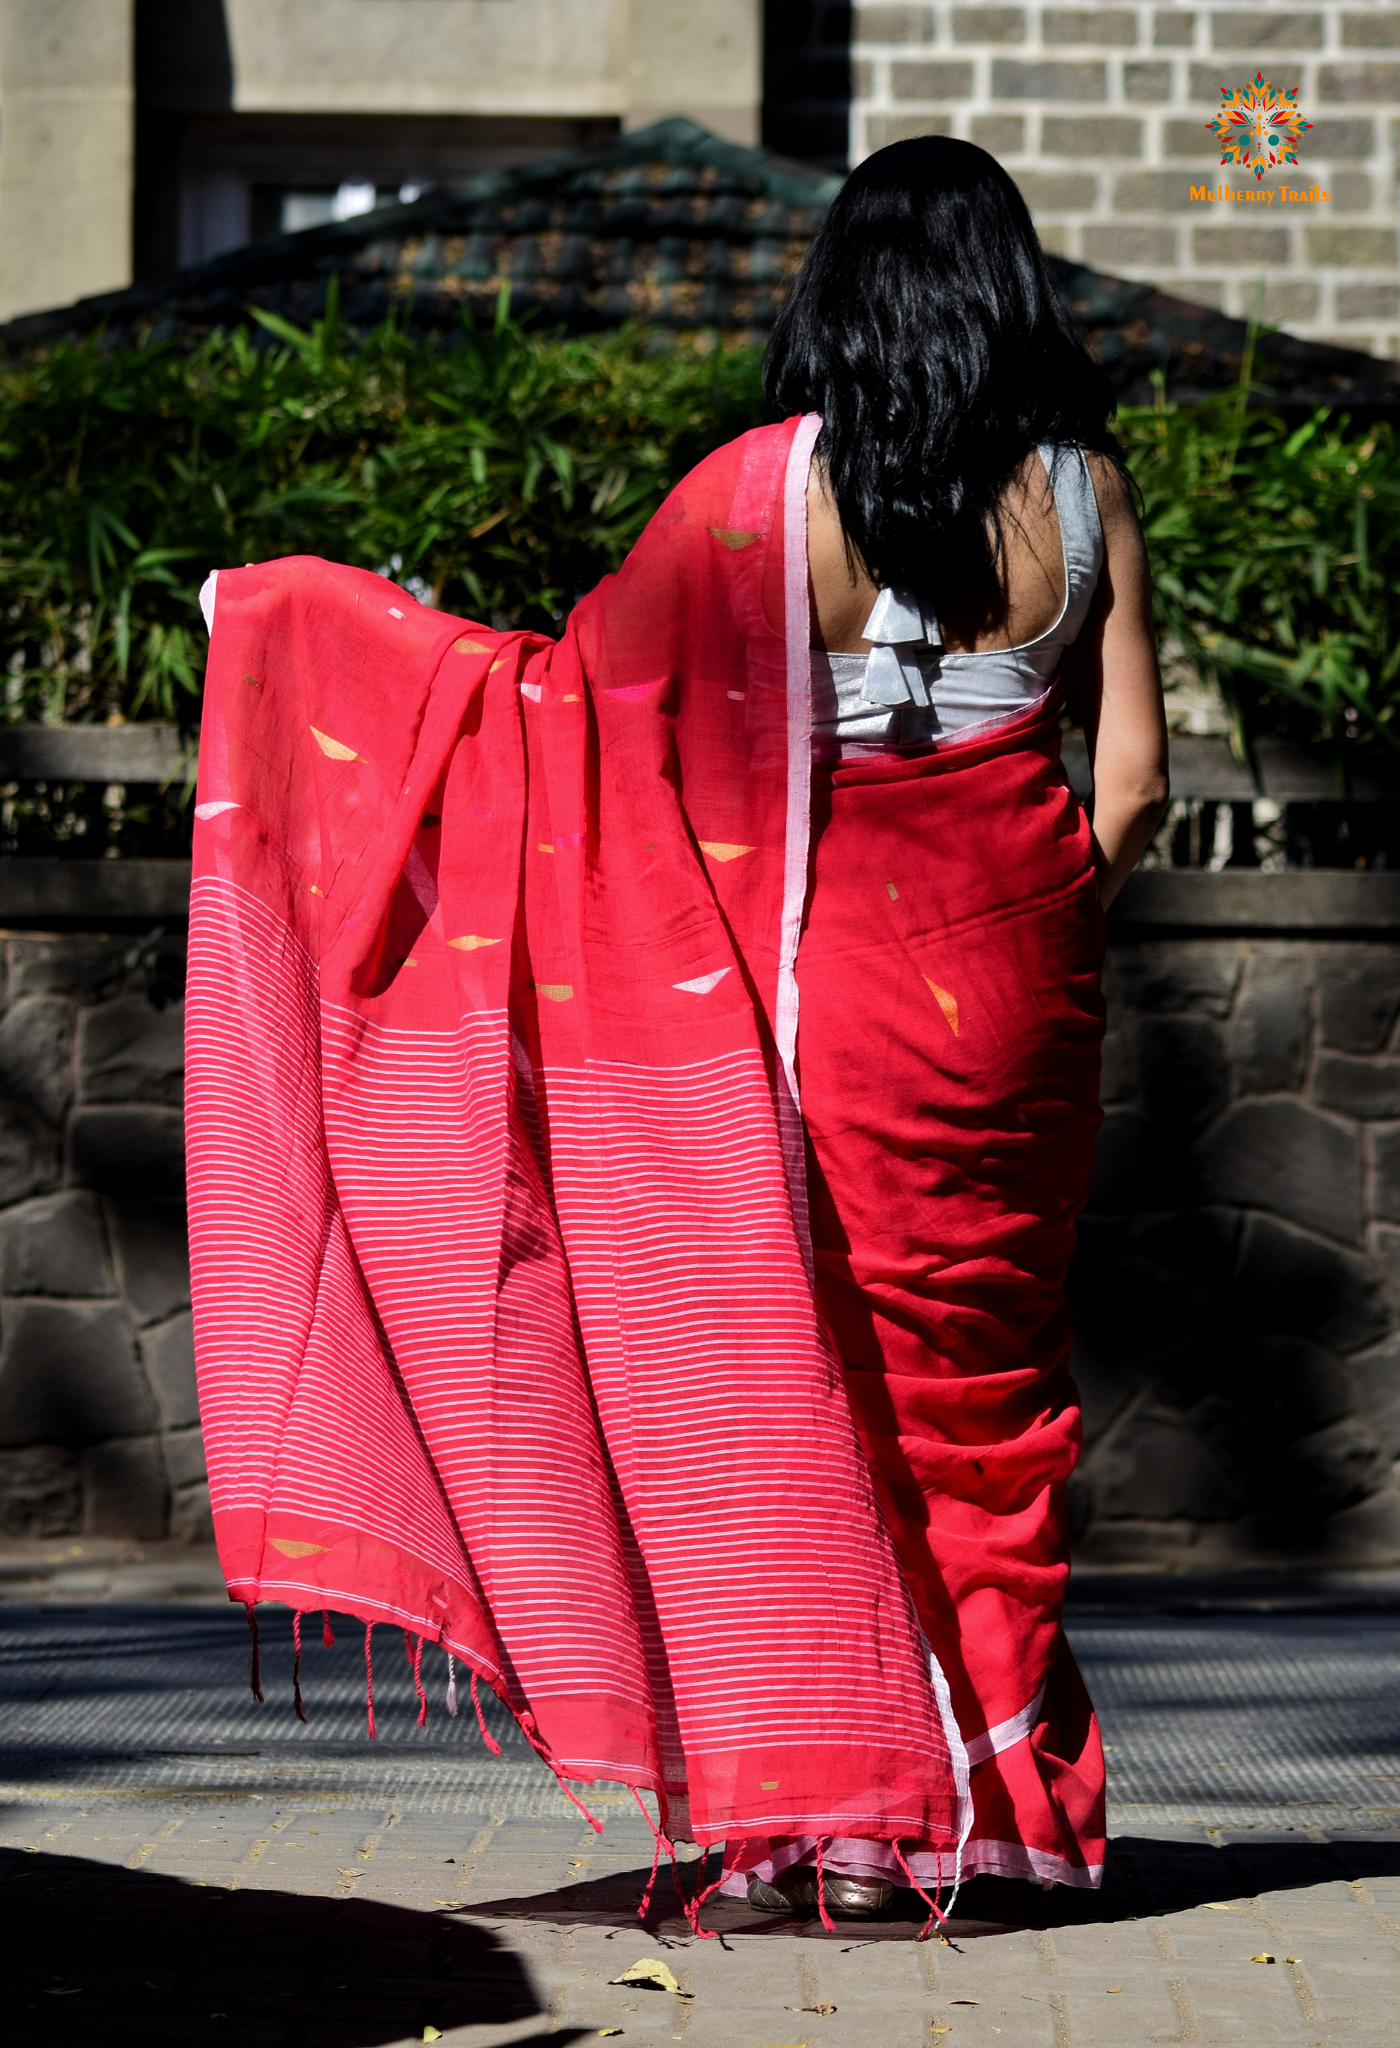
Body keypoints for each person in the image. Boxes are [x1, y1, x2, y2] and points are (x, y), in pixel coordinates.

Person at [185, 135, 1166, 1932]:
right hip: (1024, 1005)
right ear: (1011, 291)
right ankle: (997, 1803)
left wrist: (301, 634)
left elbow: (567, 702)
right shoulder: (1085, 490)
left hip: (818, 995)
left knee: (817, 1387)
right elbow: (1135, 789)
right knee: (988, 1391)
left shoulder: (765, 498)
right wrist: (1019, 922)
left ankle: (838, 1828)